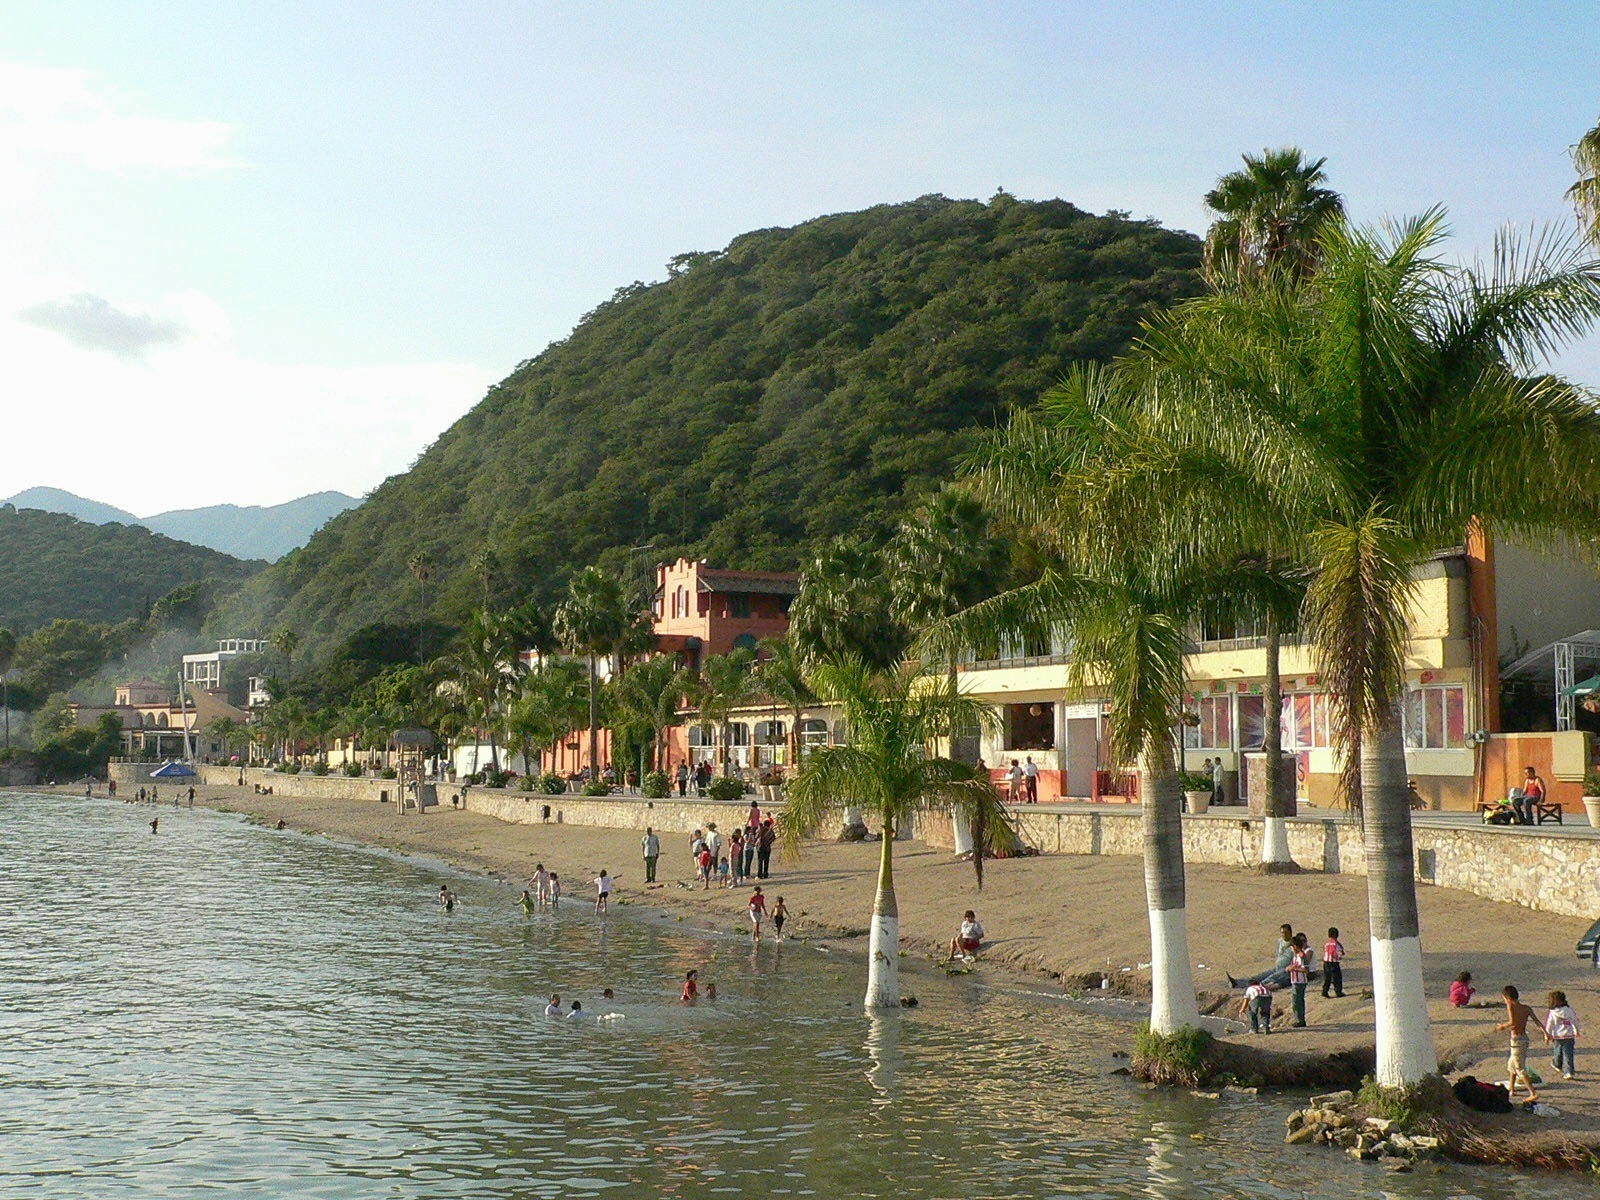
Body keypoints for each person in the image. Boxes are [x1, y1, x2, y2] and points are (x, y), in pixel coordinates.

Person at [1497, 985, 1540, 1101]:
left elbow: (1512, 1022)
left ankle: (1532, 1092)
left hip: (1516, 1040)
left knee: (1519, 1067)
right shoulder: (1526, 1008)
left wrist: (1502, 1026)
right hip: (1524, 1039)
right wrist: (1546, 1033)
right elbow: (1537, 1022)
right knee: (1512, 1064)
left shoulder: (1510, 1005)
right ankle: (1512, 1089)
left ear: (1507, 998)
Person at [1227, 923, 1297, 989]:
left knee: (1268, 979)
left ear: (1290, 933)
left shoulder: (1295, 943)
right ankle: (1237, 983)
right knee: (1259, 976)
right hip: (1277, 967)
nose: (1284, 935)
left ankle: (1251, 987)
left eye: (1286, 932)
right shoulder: (1280, 941)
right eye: (1282, 933)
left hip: (1285, 970)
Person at [1544, 990, 1580, 1080]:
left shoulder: (1553, 1012)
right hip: (1569, 1035)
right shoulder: (1569, 1010)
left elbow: (1549, 1024)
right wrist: (1577, 1030)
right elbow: (1574, 1021)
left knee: (1558, 1052)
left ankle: (1557, 1064)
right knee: (1568, 1054)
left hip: (1557, 1036)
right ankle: (1569, 1071)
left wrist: (1547, 1035)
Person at [1286, 933, 1312, 1027]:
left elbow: (1306, 969)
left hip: (1300, 982)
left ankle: (1300, 1020)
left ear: (1296, 946)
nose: (1291, 949)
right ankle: (1299, 1019)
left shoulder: (1302, 956)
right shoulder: (1296, 956)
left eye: (1292, 947)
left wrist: (1293, 969)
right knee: (1296, 1001)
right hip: (1295, 981)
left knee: (1297, 1002)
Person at [1321, 927, 1346, 999]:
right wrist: (1340, 956)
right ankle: (1338, 992)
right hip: (1334, 963)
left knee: (1327, 978)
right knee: (1337, 978)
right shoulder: (1336, 944)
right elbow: (1340, 952)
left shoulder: (1327, 943)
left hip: (1326, 962)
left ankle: (1325, 991)